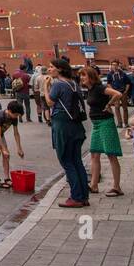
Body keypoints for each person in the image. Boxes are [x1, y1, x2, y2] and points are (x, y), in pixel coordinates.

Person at [48, 57, 91, 208]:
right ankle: (84, 195)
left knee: (67, 161)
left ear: (59, 69)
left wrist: (45, 89)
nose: (49, 69)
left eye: (51, 67)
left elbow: (50, 102)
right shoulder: (74, 84)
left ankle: (76, 197)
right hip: (76, 125)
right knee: (77, 160)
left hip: (63, 125)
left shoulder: (58, 84)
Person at [81, 64, 124, 197]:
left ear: (91, 77)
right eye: (81, 76)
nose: (81, 78)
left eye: (84, 75)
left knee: (111, 154)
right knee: (94, 154)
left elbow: (118, 94)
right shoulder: (90, 90)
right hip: (97, 124)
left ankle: (117, 187)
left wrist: (109, 104)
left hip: (106, 123)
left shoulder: (100, 88)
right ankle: (94, 185)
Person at [0, 99, 25, 188]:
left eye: (18, 115)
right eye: (16, 115)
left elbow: (16, 133)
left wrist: (19, 148)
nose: (16, 117)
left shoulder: (14, 118)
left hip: (0, 133)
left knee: (7, 154)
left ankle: (7, 178)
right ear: (10, 111)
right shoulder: (0, 116)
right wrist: (3, 149)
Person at [106, 61, 132, 130]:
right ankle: (119, 123)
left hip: (123, 93)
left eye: (115, 65)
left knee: (125, 108)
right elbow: (108, 83)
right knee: (117, 107)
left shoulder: (123, 73)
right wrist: (113, 91)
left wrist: (126, 91)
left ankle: (126, 123)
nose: (114, 66)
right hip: (115, 94)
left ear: (118, 66)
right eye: (112, 65)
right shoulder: (109, 74)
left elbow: (128, 83)